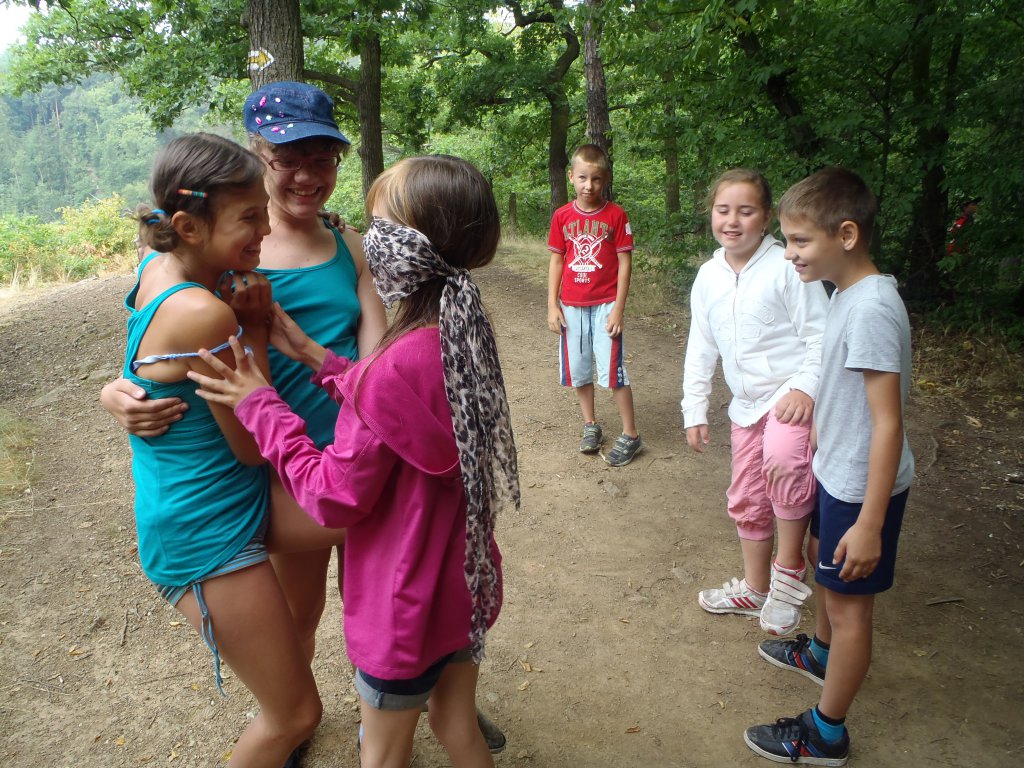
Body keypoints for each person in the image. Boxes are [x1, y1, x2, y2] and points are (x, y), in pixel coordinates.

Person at [101, 81, 507, 755]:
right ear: (259, 155)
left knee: (399, 567)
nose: (306, 174)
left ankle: (422, 690)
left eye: (323, 159)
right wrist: (115, 390)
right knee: (302, 609)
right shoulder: (216, 253)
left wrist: (326, 366)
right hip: (282, 464)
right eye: (288, 158)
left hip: (352, 453)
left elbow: (381, 358)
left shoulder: (348, 242)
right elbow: (160, 338)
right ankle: (310, 716)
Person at [186, 154, 519, 768]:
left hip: (403, 606)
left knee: (383, 755)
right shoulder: (457, 332)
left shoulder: (393, 365)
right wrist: (314, 354)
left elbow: (332, 494)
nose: (370, 239)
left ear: (411, 249)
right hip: (461, 581)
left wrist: (261, 404)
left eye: (380, 227)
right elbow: (398, 411)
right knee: (455, 724)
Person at [123, 133, 321, 766]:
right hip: (206, 525)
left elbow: (144, 362)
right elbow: (252, 448)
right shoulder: (205, 313)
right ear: (188, 226)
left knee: (382, 506)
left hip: (226, 497)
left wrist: (113, 390)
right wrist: (255, 327)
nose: (265, 231)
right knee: (294, 716)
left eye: (264, 213)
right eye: (250, 219)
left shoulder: (155, 266)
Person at [744, 168, 914, 766]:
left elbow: (888, 422)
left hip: (862, 488)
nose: (789, 253)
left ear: (846, 235)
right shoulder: (847, 293)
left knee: (850, 610)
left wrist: (869, 523)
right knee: (827, 575)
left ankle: (826, 732)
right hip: (837, 470)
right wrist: (820, 431)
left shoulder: (872, 309)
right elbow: (848, 390)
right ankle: (819, 653)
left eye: (799, 241)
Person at [684, 169, 828, 636]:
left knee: (784, 463)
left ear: (765, 218)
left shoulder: (788, 267)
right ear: (711, 213)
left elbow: (822, 334)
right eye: (723, 210)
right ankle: (756, 588)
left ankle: (788, 574)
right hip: (745, 406)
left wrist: (805, 387)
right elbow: (701, 345)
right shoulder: (708, 277)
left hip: (789, 397)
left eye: (745, 211)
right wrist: (694, 409)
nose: (732, 221)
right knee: (746, 495)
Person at [547, 144, 641, 466]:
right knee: (580, 369)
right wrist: (552, 305)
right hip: (571, 306)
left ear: (605, 180)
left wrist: (619, 308)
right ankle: (591, 425)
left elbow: (625, 263)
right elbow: (557, 261)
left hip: (605, 306)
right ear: (571, 176)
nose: (589, 185)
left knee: (614, 371)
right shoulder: (562, 216)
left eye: (597, 179)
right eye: (583, 178)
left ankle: (631, 434)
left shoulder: (616, 215)